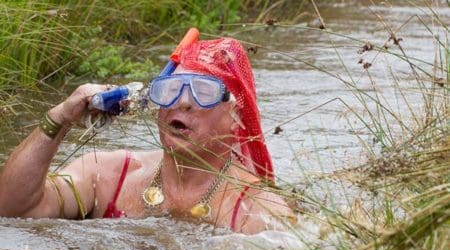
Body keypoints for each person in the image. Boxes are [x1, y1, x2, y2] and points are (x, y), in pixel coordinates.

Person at [0, 37, 295, 234]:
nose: (182, 102)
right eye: (169, 89)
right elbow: (12, 209)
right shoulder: (106, 175)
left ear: (236, 118)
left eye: (203, 91)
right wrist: (59, 118)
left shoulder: (258, 212)